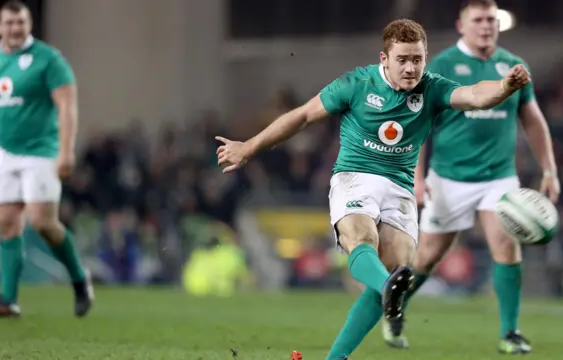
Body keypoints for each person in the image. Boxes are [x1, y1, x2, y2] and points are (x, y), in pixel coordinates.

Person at [216, 18, 530, 360]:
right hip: (356, 177)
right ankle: (385, 294)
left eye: (417, 59)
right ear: (384, 59)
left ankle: (348, 341)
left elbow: (473, 95)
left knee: (398, 272)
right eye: (403, 60)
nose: (411, 68)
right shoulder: (356, 84)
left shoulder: (432, 88)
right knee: (361, 239)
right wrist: (249, 147)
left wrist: (505, 86)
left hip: (399, 188)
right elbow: (304, 116)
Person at [380, 0, 559, 355]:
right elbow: (416, 124)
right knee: (426, 257)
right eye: (478, 19)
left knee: (506, 246)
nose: (486, 25)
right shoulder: (442, 65)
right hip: (449, 178)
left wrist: (549, 168)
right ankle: (393, 307)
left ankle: (510, 332)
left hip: (498, 177)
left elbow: (533, 119)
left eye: (491, 19)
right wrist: (415, 177)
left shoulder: (513, 66)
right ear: (461, 25)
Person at [0, 0, 94, 318]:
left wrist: (66, 150)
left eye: (20, 22)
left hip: (40, 151)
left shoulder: (47, 59)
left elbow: (67, 105)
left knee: (42, 223)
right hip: (3, 150)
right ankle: (8, 299)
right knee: (8, 222)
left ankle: (80, 280)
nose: (15, 28)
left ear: (29, 25)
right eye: (9, 22)